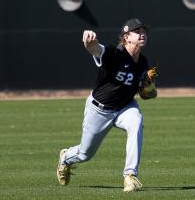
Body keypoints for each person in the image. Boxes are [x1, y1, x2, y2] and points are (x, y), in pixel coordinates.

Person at [56, 18, 158, 192]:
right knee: (85, 154)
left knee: (136, 122)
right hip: (99, 109)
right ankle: (66, 158)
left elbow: (148, 94)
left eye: (143, 31)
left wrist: (149, 88)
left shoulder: (143, 63)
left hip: (125, 107)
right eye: (137, 31)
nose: (142, 34)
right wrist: (90, 42)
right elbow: (96, 50)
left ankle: (130, 176)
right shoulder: (114, 54)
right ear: (126, 37)